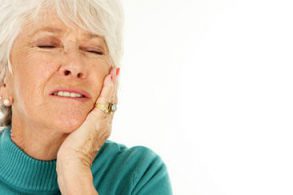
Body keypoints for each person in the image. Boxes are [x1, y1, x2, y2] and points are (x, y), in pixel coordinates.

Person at [0, 0, 172, 194]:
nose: (75, 66)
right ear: (3, 80)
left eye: (93, 50)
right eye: (47, 45)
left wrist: (75, 167)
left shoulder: (138, 175)